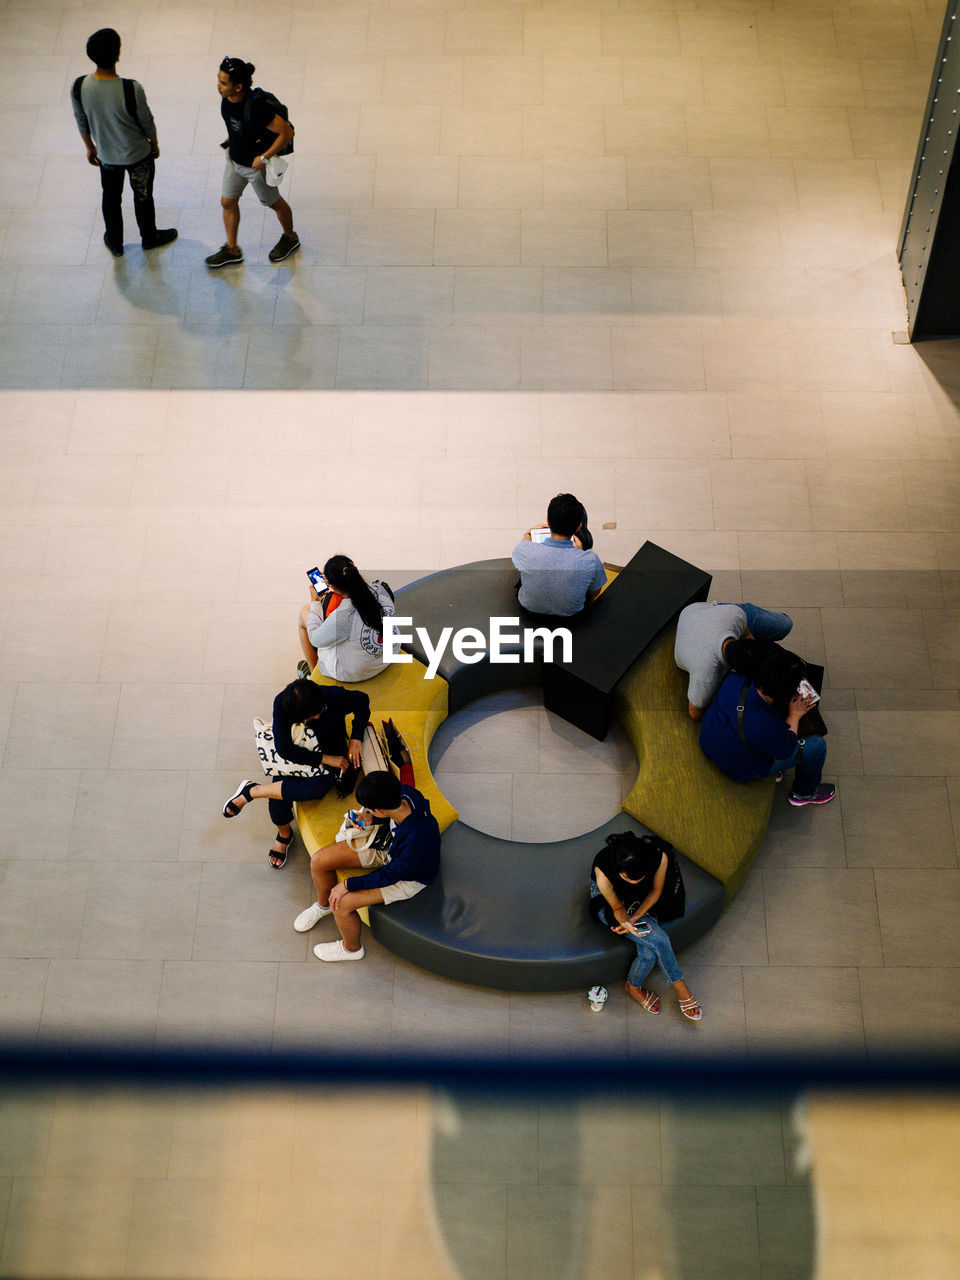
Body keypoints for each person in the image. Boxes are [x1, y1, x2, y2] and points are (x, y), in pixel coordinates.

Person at [292, 770, 441, 963]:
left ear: (379, 808)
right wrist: (371, 820)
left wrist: (347, 885)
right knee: (319, 861)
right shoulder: (405, 795)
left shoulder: (417, 838)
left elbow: (391, 875)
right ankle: (323, 906)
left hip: (409, 876)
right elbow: (388, 818)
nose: (366, 811)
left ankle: (351, 949)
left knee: (343, 904)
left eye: (369, 809)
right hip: (390, 846)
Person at [221, 679, 369, 867]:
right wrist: (324, 759)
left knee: (320, 788)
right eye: (309, 717)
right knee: (276, 805)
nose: (316, 717)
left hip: (331, 749)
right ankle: (283, 833)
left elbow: (363, 701)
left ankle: (252, 791)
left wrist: (356, 737)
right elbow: (284, 750)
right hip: (299, 755)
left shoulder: (333, 696)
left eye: (319, 712)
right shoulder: (281, 703)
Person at [70, 28, 177, 257]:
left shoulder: (79, 87)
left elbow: (82, 121)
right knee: (143, 196)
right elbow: (146, 121)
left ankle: (115, 242)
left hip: (107, 157)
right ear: (118, 54)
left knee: (110, 198)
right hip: (138, 156)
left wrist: (90, 147)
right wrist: (154, 143)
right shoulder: (131, 88)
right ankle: (149, 237)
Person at [699, 647, 835, 807]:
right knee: (817, 746)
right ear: (785, 694)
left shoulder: (736, 679)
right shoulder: (766, 726)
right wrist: (795, 715)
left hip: (710, 740)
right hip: (739, 767)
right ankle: (804, 793)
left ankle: (780, 773)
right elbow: (786, 750)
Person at [590, 831, 701, 1021]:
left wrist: (634, 919)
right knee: (660, 940)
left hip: (645, 899)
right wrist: (624, 920)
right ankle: (680, 986)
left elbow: (656, 891)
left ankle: (633, 987)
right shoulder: (603, 867)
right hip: (611, 902)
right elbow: (616, 906)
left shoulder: (658, 856)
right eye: (629, 878)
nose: (634, 882)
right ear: (618, 871)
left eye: (639, 878)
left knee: (649, 953)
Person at [205, 57, 299, 267]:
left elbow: (287, 133)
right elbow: (235, 122)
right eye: (218, 81)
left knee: (274, 204)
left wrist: (264, 158)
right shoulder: (227, 99)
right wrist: (232, 138)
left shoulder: (258, 108)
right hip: (234, 161)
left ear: (238, 87)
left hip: (256, 168)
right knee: (227, 202)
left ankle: (291, 237)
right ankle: (232, 249)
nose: (218, 87)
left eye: (224, 83)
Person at [674, 600, 794, 720]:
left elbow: (748, 635)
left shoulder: (735, 615)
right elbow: (694, 714)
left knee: (785, 624)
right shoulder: (706, 675)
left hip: (701, 611)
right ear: (733, 670)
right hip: (697, 620)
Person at [297, 556, 397, 683]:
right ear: (354, 567)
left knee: (304, 612)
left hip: (360, 672)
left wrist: (315, 601)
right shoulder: (381, 589)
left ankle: (313, 679)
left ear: (331, 586)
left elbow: (315, 640)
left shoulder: (342, 618)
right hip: (390, 653)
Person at [512, 493, 606, 618]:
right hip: (571, 619)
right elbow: (595, 592)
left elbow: (524, 542)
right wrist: (580, 553)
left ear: (548, 522)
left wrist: (529, 531)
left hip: (530, 613)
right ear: (579, 526)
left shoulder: (524, 550)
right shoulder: (590, 560)